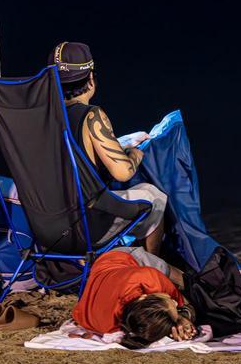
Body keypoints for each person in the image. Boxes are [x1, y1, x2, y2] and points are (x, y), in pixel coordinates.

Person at [54, 41, 168, 254]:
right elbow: (123, 172)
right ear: (90, 79)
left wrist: (120, 142)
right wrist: (133, 154)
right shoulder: (91, 115)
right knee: (155, 195)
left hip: (44, 228)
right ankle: (153, 265)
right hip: (84, 229)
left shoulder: (43, 118)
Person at [71, 247, 198, 349]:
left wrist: (179, 319)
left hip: (121, 256)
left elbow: (181, 305)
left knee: (180, 278)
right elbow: (186, 305)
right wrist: (182, 318)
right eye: (172, 302)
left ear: (143, 297)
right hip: (108, 271)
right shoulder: (98, 322)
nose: (175, 303)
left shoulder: (149, 279)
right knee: (189, 283)